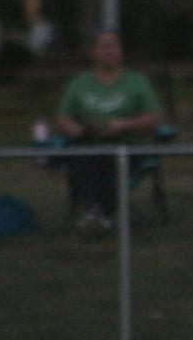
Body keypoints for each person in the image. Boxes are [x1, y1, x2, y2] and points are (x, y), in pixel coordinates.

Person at [53, 29, 165, 234]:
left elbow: (155, 117)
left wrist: (124, 125)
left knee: (109, 160)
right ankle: (100, 214)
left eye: (114, 46)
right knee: (84, 158)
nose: (109, 51)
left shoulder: (137, 82)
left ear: (121, 51)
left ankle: (98, 214)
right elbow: (62, 119)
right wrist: (77, 129)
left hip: (127, 146)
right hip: (88, 145)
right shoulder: (79, 84)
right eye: (104, 46)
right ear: (93, 52)